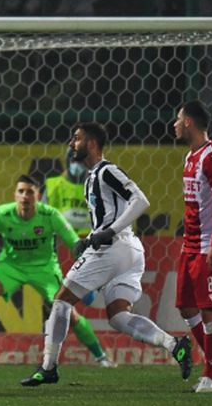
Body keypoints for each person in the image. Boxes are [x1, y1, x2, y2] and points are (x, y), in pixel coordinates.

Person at [22, 123, 192, 386]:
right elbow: (109, 217)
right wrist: (90, 239)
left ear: (91, 144)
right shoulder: (92, 178)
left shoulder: (105, 171)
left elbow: (141, 201)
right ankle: (175, 344)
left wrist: (106, 233)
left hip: (115, 248)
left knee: (61, 301)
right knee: (118, 316)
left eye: (76, 139)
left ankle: (48, 366)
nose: (71, 143)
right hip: (129, 250)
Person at [0, 175, 113, 367]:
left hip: (44, 268)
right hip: (10, 266)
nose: (25, 196)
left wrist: (86, 278)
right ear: (15, 195)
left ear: (38, 196)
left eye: (30, 191)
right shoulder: (2, 214)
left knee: (68, 314)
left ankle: (101, 358)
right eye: (21, 191)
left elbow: (75, 245)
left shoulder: (50, 215)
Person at [173, 101, 212, 392]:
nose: (174, 124)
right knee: (187, 307)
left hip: (210, 247)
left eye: (178, 119)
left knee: (210, 310)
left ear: (189, 122)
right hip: (191, 245)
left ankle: (211, 374)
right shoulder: (190, 157)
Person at [44, 147, 91, 237]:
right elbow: (42, 218)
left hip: (89, 242)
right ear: (67, 162)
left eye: (80, 161)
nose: (77, 165)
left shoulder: (95, 187)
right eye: (74, 161)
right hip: (60, 241)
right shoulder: (53, 186)